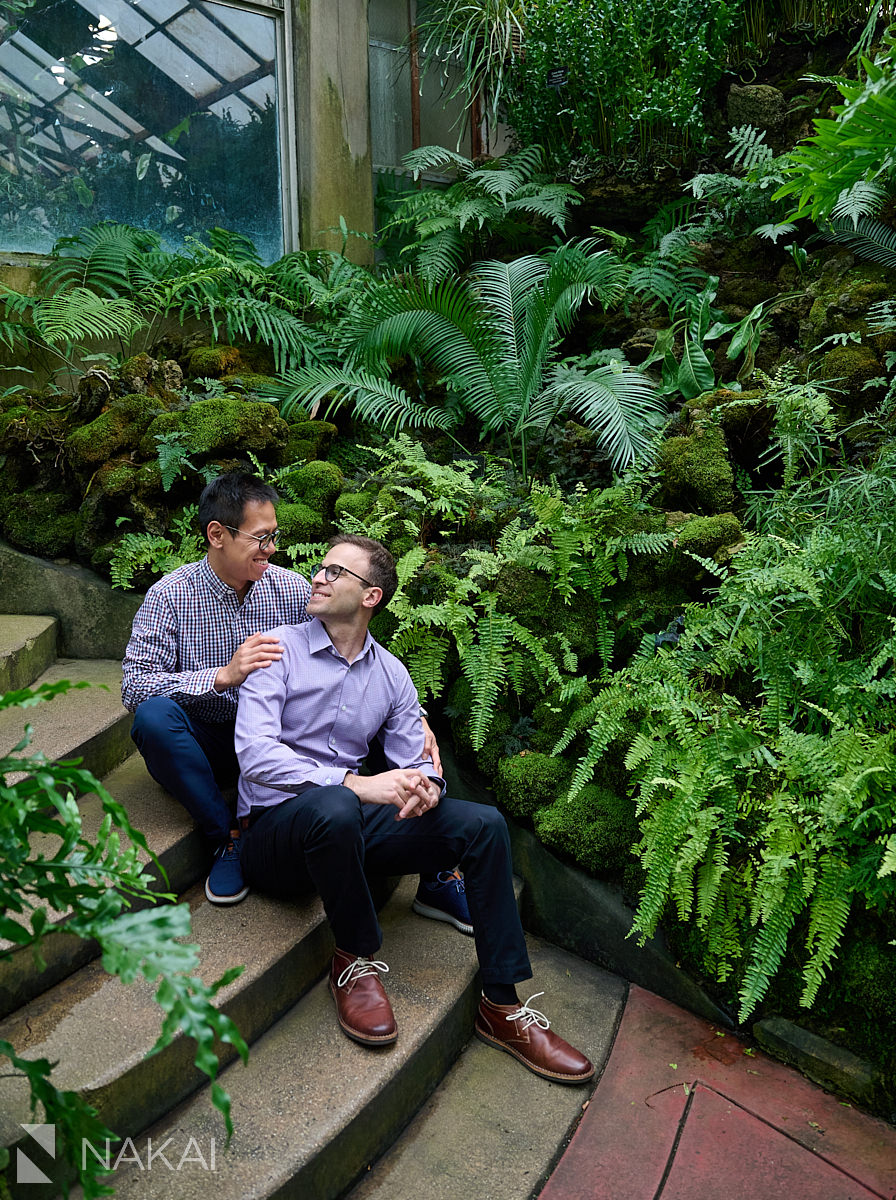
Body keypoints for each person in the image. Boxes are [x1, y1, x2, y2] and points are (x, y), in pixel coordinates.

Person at [233, 533, 594, 1083]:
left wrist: (427, 787)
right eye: (321, 569)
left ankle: (501, 1005)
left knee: (484, 824)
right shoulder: (277, 650)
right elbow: (256, 756)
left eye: (336, 573)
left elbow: (415, 758)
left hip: (348, 827)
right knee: (334, 804)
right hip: (276, 834)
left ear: (371, 596)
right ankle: (353, 959)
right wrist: (358, 783)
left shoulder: (392, 674)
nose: (318, 578)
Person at [121, 472, 470, 933]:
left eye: (274, 537)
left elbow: (356, 645)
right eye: (260, 538)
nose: (272, 549)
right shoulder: (170, 596)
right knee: (154, 719)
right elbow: (135, 685)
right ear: (217, 535)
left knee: (405, 746)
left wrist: (416, 715)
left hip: (283, 738)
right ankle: (224, 838)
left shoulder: (288, 589)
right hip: (206, 743)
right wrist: (222, 677)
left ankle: (438, 872)